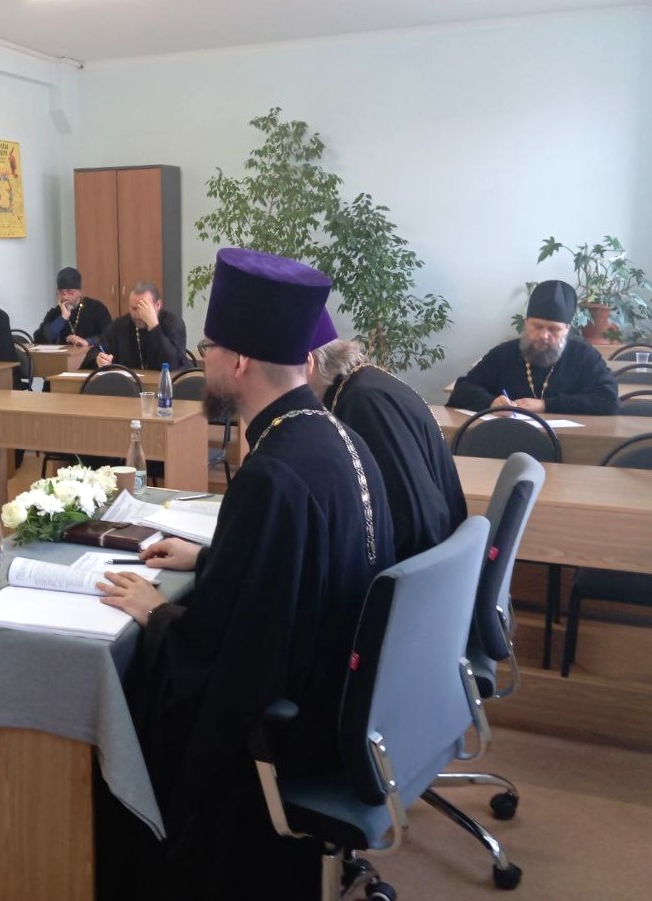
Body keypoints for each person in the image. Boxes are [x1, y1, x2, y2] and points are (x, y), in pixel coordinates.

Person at [95, 248, 395, 900]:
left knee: (120, 694)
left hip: (297, 727)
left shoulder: (273, 473)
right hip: (351, 699)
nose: (203, 359)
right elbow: (290, 579)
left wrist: (157, 614)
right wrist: (209, 558)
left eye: (208, 348)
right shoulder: (338, 436)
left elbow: (231, 656)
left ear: (238, 362)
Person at [309, 322, 467, 561]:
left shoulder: (362, 403)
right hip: (441, 555)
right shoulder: (365, 382)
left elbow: (411, 521)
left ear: (308, 363)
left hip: (421, 568)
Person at [447, 280, 619, 415]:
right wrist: (490, 403)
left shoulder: (584, 356)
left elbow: (608, 399)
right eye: (537, 326)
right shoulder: (504, 354)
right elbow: (463, 389)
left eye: (553, 329)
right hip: (507, 437)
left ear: (567, 329)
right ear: (526, 323)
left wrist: (546, 405)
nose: (544, 335)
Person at [82, 281, 187, 371]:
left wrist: (153, 325)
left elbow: (173, 362)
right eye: (133, 308)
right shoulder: (121, 325)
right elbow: (97, 349)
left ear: (158, 305)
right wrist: (99, 359)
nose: (137, 314)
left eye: (143, 307)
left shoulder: (173, 323)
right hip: (128, 385)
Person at [31, 267, 112, 346]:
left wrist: (87, 342)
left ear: (80, 292)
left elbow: (110, 336)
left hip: (90, 354)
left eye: (70, 292)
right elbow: (39, 339)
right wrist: (62, 319)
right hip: (62, 355)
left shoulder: (97, 308)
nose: (65, 297)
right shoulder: (55, 312)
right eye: (62, 293)